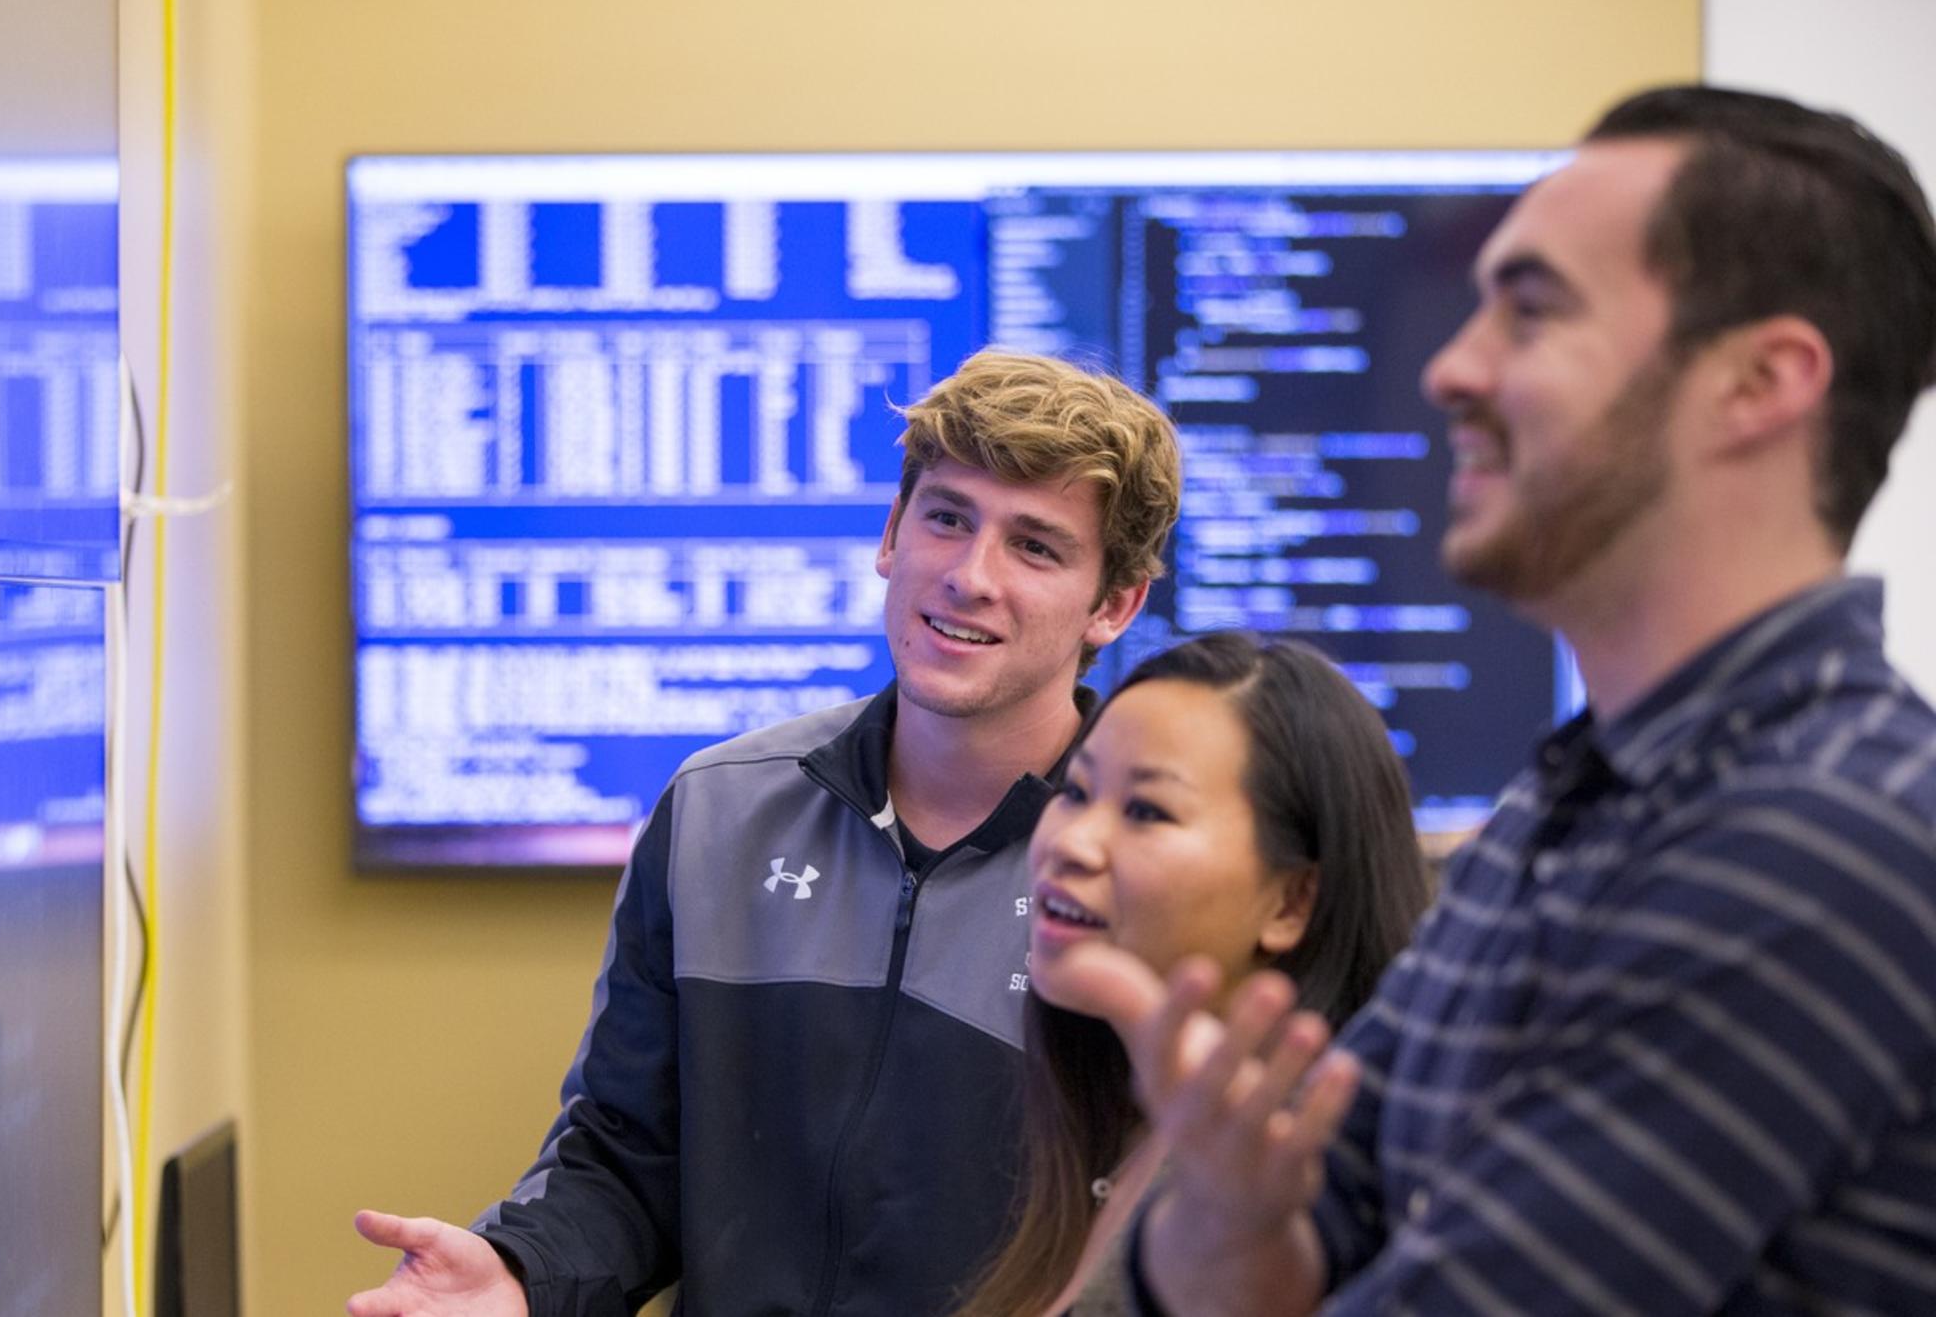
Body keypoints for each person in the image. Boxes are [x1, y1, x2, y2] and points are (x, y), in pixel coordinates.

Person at [1069, 84, 1936, 1314]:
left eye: (1533, 311)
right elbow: (1300, 1220)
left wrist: (1243, 1251)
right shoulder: (1568, 801)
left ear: (1760, 382)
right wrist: (1226, 1226)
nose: (1451, 368)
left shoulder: (1827, 833)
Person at [348, 349, 1184, 1316]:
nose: (970, 577)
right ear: (892, 534)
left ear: (1113, 606)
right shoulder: (719, 809)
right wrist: (520, 1274)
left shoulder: (1147, 876)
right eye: (948, 519)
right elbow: (628, 1159)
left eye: (1035, 548)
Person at [955, 632, 1431, 1317]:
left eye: (1146, 811)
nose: (1071, 843)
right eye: (1077, 791)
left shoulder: (1295, 1199)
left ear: (1291, 903)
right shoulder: (1101, 1124)